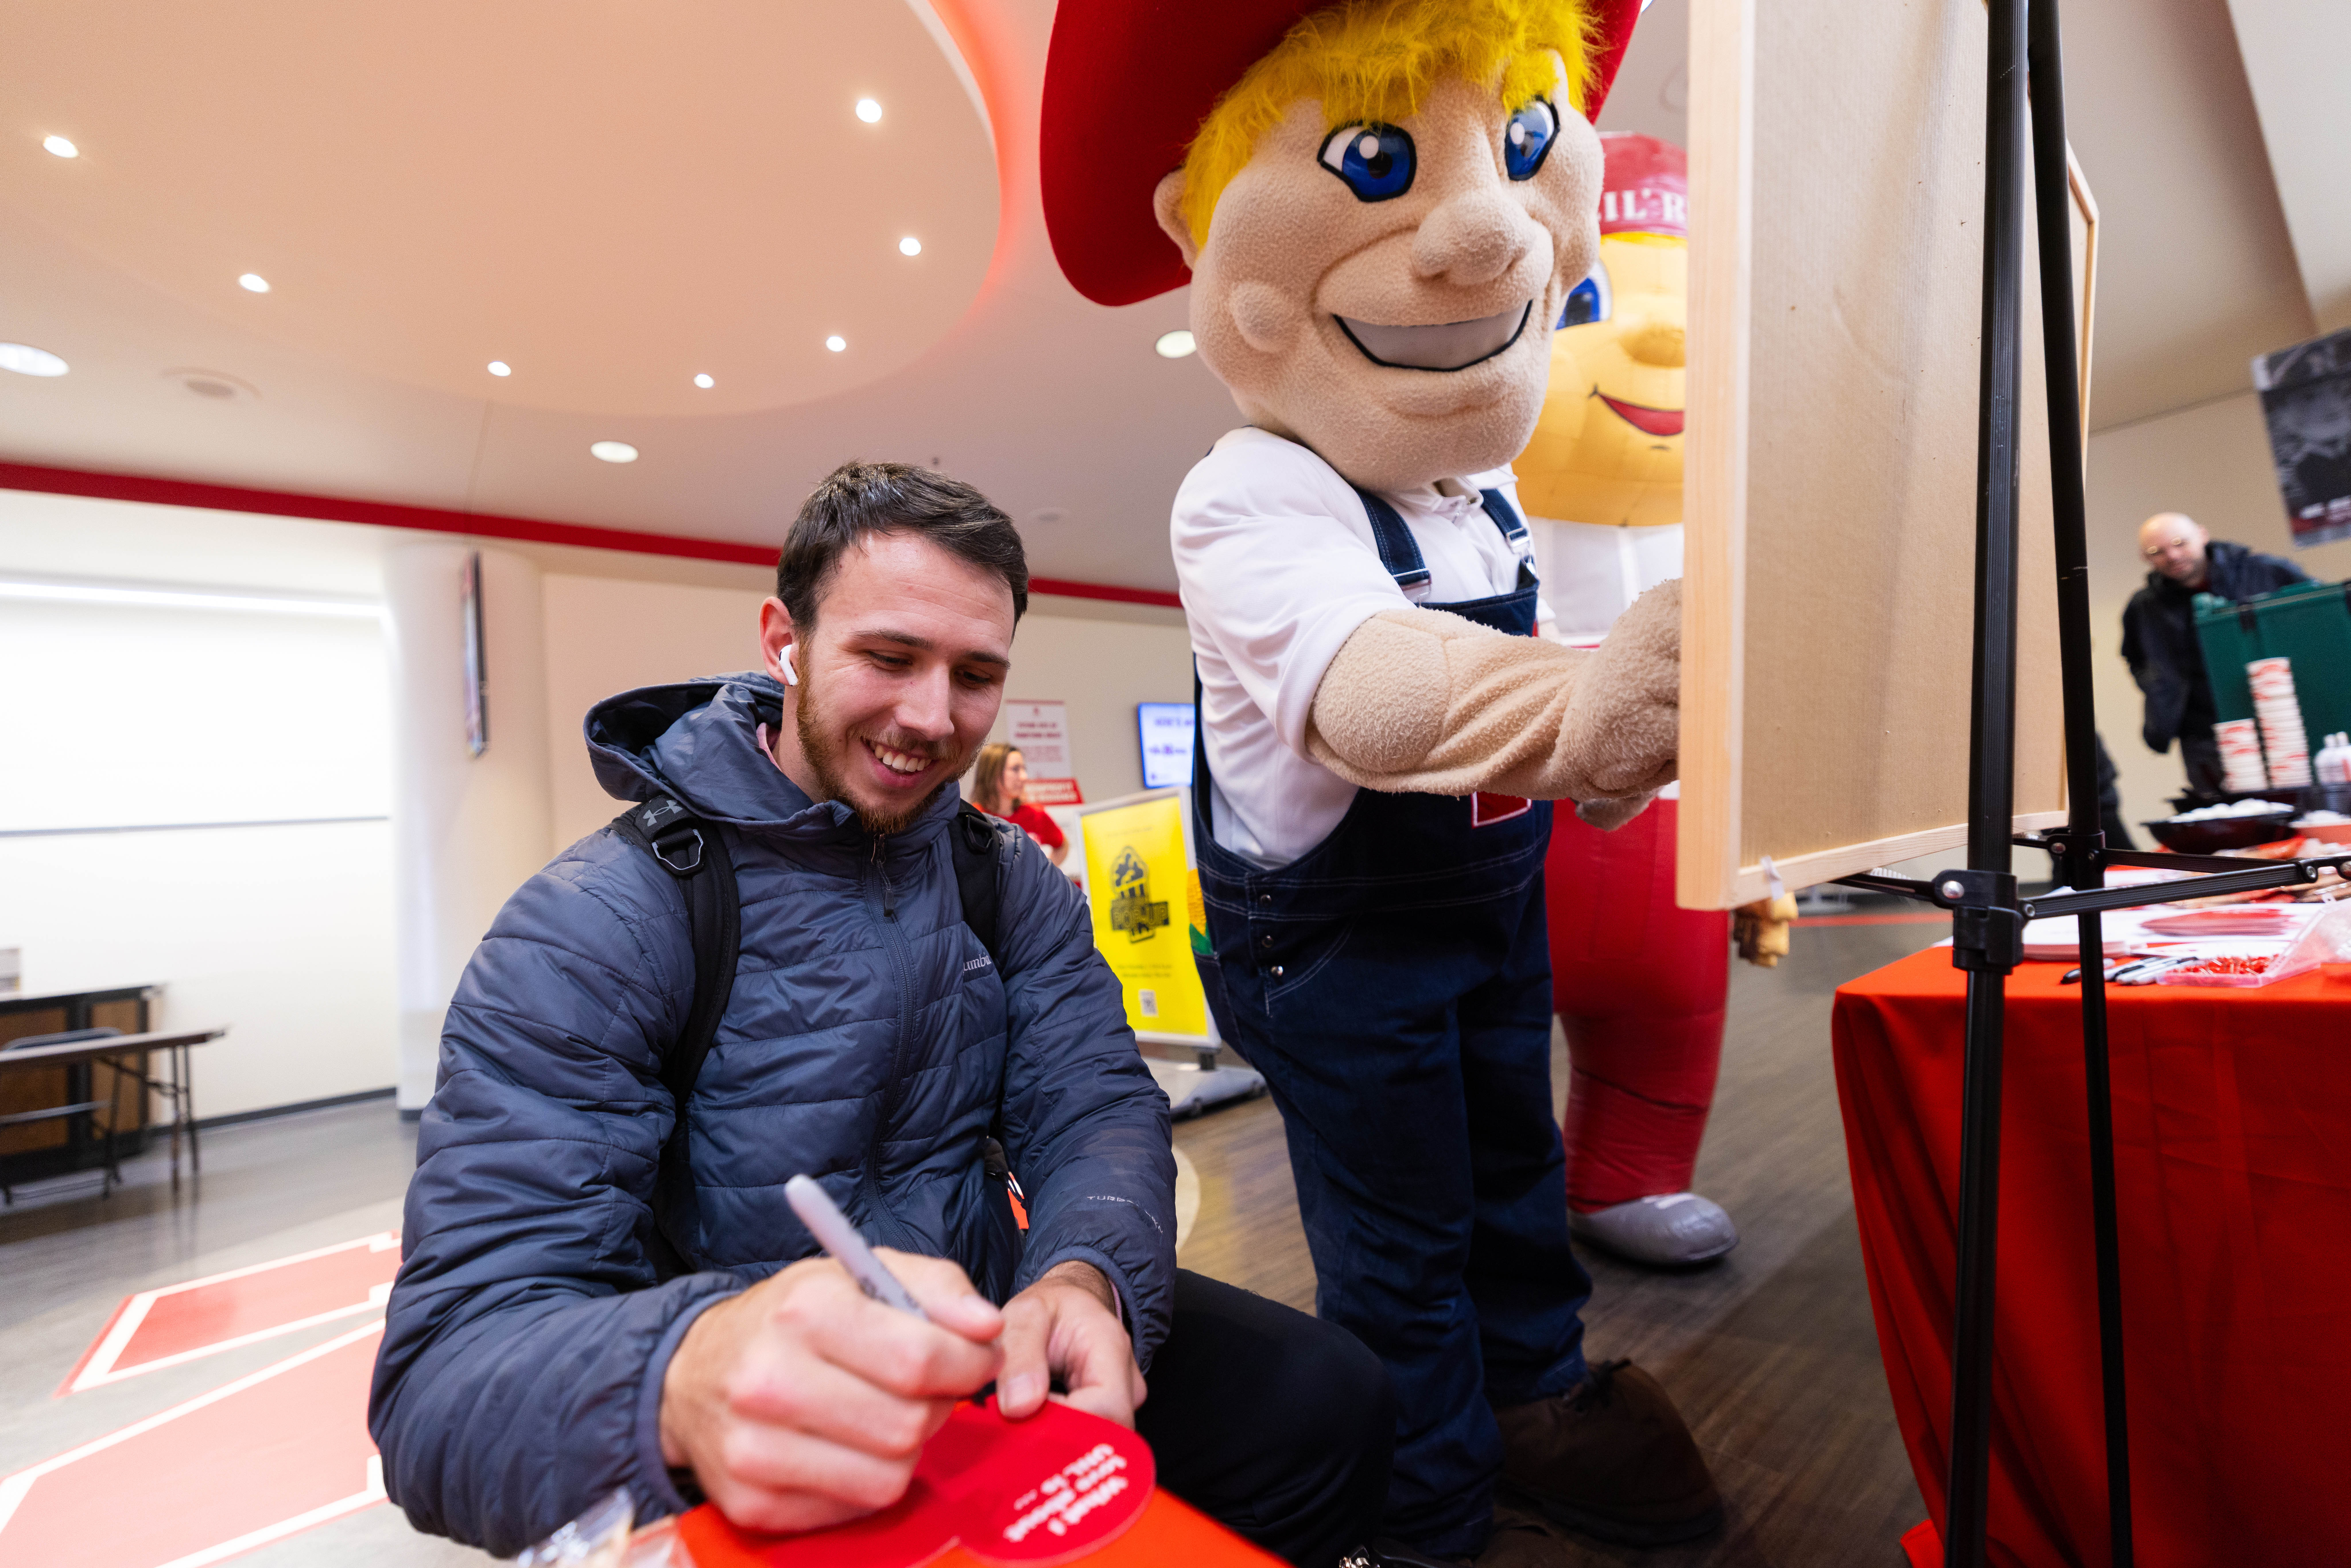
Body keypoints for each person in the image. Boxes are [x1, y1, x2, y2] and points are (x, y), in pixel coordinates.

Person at [367, 461, 1393, 1567]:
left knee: (1324, 1400)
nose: (929, 716)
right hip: (760, 1422)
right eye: (889, 656)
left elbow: (1093, 1102)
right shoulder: (596, 926)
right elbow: (443, 1381)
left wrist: (1082, 1273)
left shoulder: (1006, 880)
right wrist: (682, 1372)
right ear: (784, 638)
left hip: (986, 1354)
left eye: (975, 674)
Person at [1039, 4, 1716, 1564]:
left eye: (1523, 148)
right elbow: (1373, 698)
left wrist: (1628, 747)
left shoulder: (1483, 497)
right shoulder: (1250, 488)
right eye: (1375, 161)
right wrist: (1596, 704)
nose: (1483, 226)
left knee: (1515, 1166)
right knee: (1400, 1226)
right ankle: (1427, 1504)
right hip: (1333, 945)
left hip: (1484, 904)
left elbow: (1540, 718)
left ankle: (1538, 1399)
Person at [2121, 511, 2308, 793]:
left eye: (2179, 543)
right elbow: (2136, 659)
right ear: (2144, 558)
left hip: (2287, 721)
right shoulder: (2143, 608)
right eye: (2156, 551)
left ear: (2202, 535)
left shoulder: (2266, 572)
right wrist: (2162, 691)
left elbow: (2321, 619)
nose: (2172, 556)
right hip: (2205, 737)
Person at [969, 740, 1069, 866]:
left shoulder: (1035, 814)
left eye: (1024, 769)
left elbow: (1062, 846)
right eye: (1016, 769)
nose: (1024, 777)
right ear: (993, 773)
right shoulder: (974, 818)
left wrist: (1041, 876)